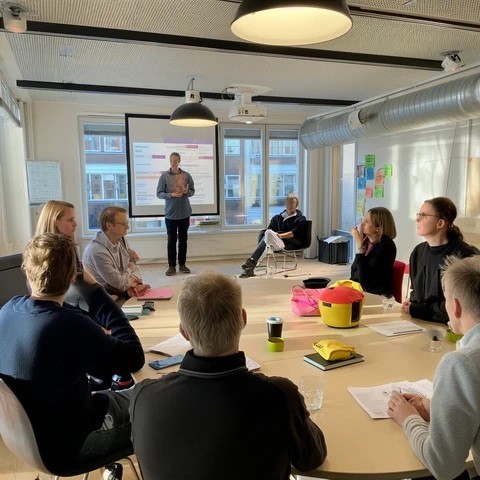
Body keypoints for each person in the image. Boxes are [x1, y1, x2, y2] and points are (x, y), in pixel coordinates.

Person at [129, 271, 327, 480]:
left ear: (184, 332)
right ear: (243, 319)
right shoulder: (279, 395)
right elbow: (311, 459)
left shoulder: (144, 397)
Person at [0, 233, 145, 474]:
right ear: (71, 277)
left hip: (25, 438)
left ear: (26, 272)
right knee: (155, 401)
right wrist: (95, 291)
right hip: (72, 443)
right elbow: (135, 358)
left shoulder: (8, 310)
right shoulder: (69, 326)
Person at [388, 255, 480, 480]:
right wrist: (436, 407)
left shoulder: (461, 364)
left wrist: (408, 417)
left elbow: (443, 466)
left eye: (446, 299)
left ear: (455, 306)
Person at [402, 197, 479, 324]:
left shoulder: (463, 256)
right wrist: (412, 303)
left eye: (424, 215)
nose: (417, 219)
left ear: (440, 223)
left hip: (452, 329)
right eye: (418, 214)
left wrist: (418, 310)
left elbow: (461, 306)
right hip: (421, 322)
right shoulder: (418, 252)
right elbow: (416, 291)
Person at [83, 206, 149, 299]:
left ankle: (131, 289)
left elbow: (136, 269)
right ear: (109, 225)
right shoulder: (97, 251)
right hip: (105, 295)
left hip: (119, 288)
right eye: (123, 224)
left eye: (127, 223)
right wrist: (131, 266)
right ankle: (131, 290)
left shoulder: (122, 239)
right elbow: (120, 284)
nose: (128, 227)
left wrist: (131, 274)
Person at [240, 194, 307, 278]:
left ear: (296, 205)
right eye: (288, 203)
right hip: (275, 243)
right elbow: (268, 233)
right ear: (285, 204)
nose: (290, 205)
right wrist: (272, 235)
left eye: (292, 203)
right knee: (265, 233)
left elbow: (292, 234)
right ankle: (251, 266)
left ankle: (251, 263)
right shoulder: (277, 218)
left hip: (289, 243)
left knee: (268, 234)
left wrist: (277, 235)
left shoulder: (300, 219)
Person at [156, 152, 195, 276]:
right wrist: (171, 195)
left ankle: (182, 265)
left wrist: (186, 192)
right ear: (169, 161)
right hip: (170, 214)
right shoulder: (164, 176)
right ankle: (171, 266)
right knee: (171, 241)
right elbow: (159, 193)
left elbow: (192, 191)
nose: (173, 162)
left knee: (183, 240)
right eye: (171, 160)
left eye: (175, 160)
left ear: (179, 161)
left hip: (184, 213)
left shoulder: (187, 175)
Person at [350, 206, 397, 296]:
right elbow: (354, 272)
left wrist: (359, 244)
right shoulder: (368, 242)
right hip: (362, 290)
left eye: (367, 221)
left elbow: (365, 281)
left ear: (378, 228)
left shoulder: (386, 247)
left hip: (377, 294)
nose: (362, 223)